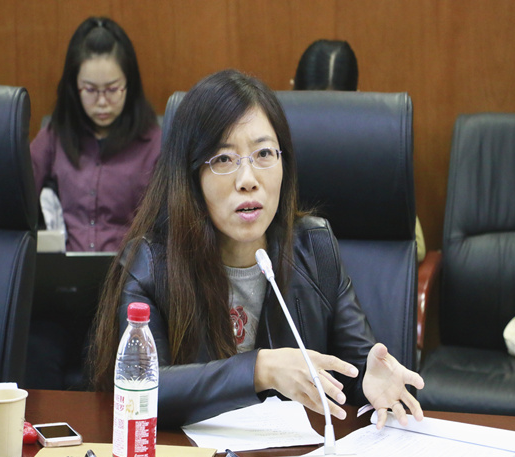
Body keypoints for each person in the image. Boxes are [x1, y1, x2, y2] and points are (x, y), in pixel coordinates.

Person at [90, 69, 424, 429]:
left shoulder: (314, 248)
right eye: (223, 159)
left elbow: (354, 370)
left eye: (264, 153)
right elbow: (140, 390)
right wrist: (259, 369)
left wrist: (369, 379)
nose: (248, 180)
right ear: (190, 176)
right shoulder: (150, 264)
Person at [31, 16, 161, 252]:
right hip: (65, 269)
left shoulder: (154, 143)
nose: (102, 102)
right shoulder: (55, 136)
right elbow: (17, 194)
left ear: (129, 84)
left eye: (112, 89)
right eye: (90, 90)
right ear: (75, 87)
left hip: (132, 270)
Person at [293, 39, 426, 261]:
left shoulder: (374, 149)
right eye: (313, 108)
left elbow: (415, 247)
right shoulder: (271, 150)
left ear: (356, 97)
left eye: (333, 108)